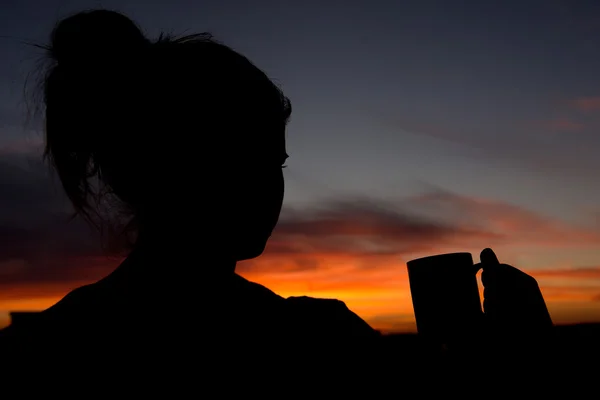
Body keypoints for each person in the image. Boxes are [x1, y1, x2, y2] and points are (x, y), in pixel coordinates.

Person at [0, 10, 552, 359]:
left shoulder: (48, 346)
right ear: (134, 172)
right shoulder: (316, 343)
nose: (265, 187)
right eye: (226, 158)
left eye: (276, 162)